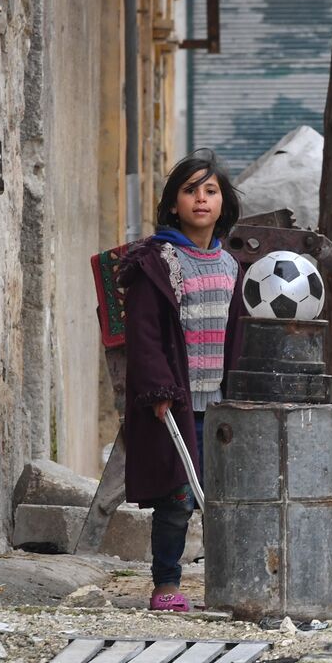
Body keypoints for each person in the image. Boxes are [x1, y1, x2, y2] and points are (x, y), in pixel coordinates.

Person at [119, 151, 242, 611]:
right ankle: (166, 585)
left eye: (210, 191)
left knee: (223, 497)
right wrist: (159, 390)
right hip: (175, 403)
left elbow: (238, 334)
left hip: (220, 405)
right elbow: (144, 332)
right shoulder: (157, 263)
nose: (201, 199)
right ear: (174, 203)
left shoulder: (231, 266)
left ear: (223, 203)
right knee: (177, 498)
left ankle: (227, 584)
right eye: (191, 191)